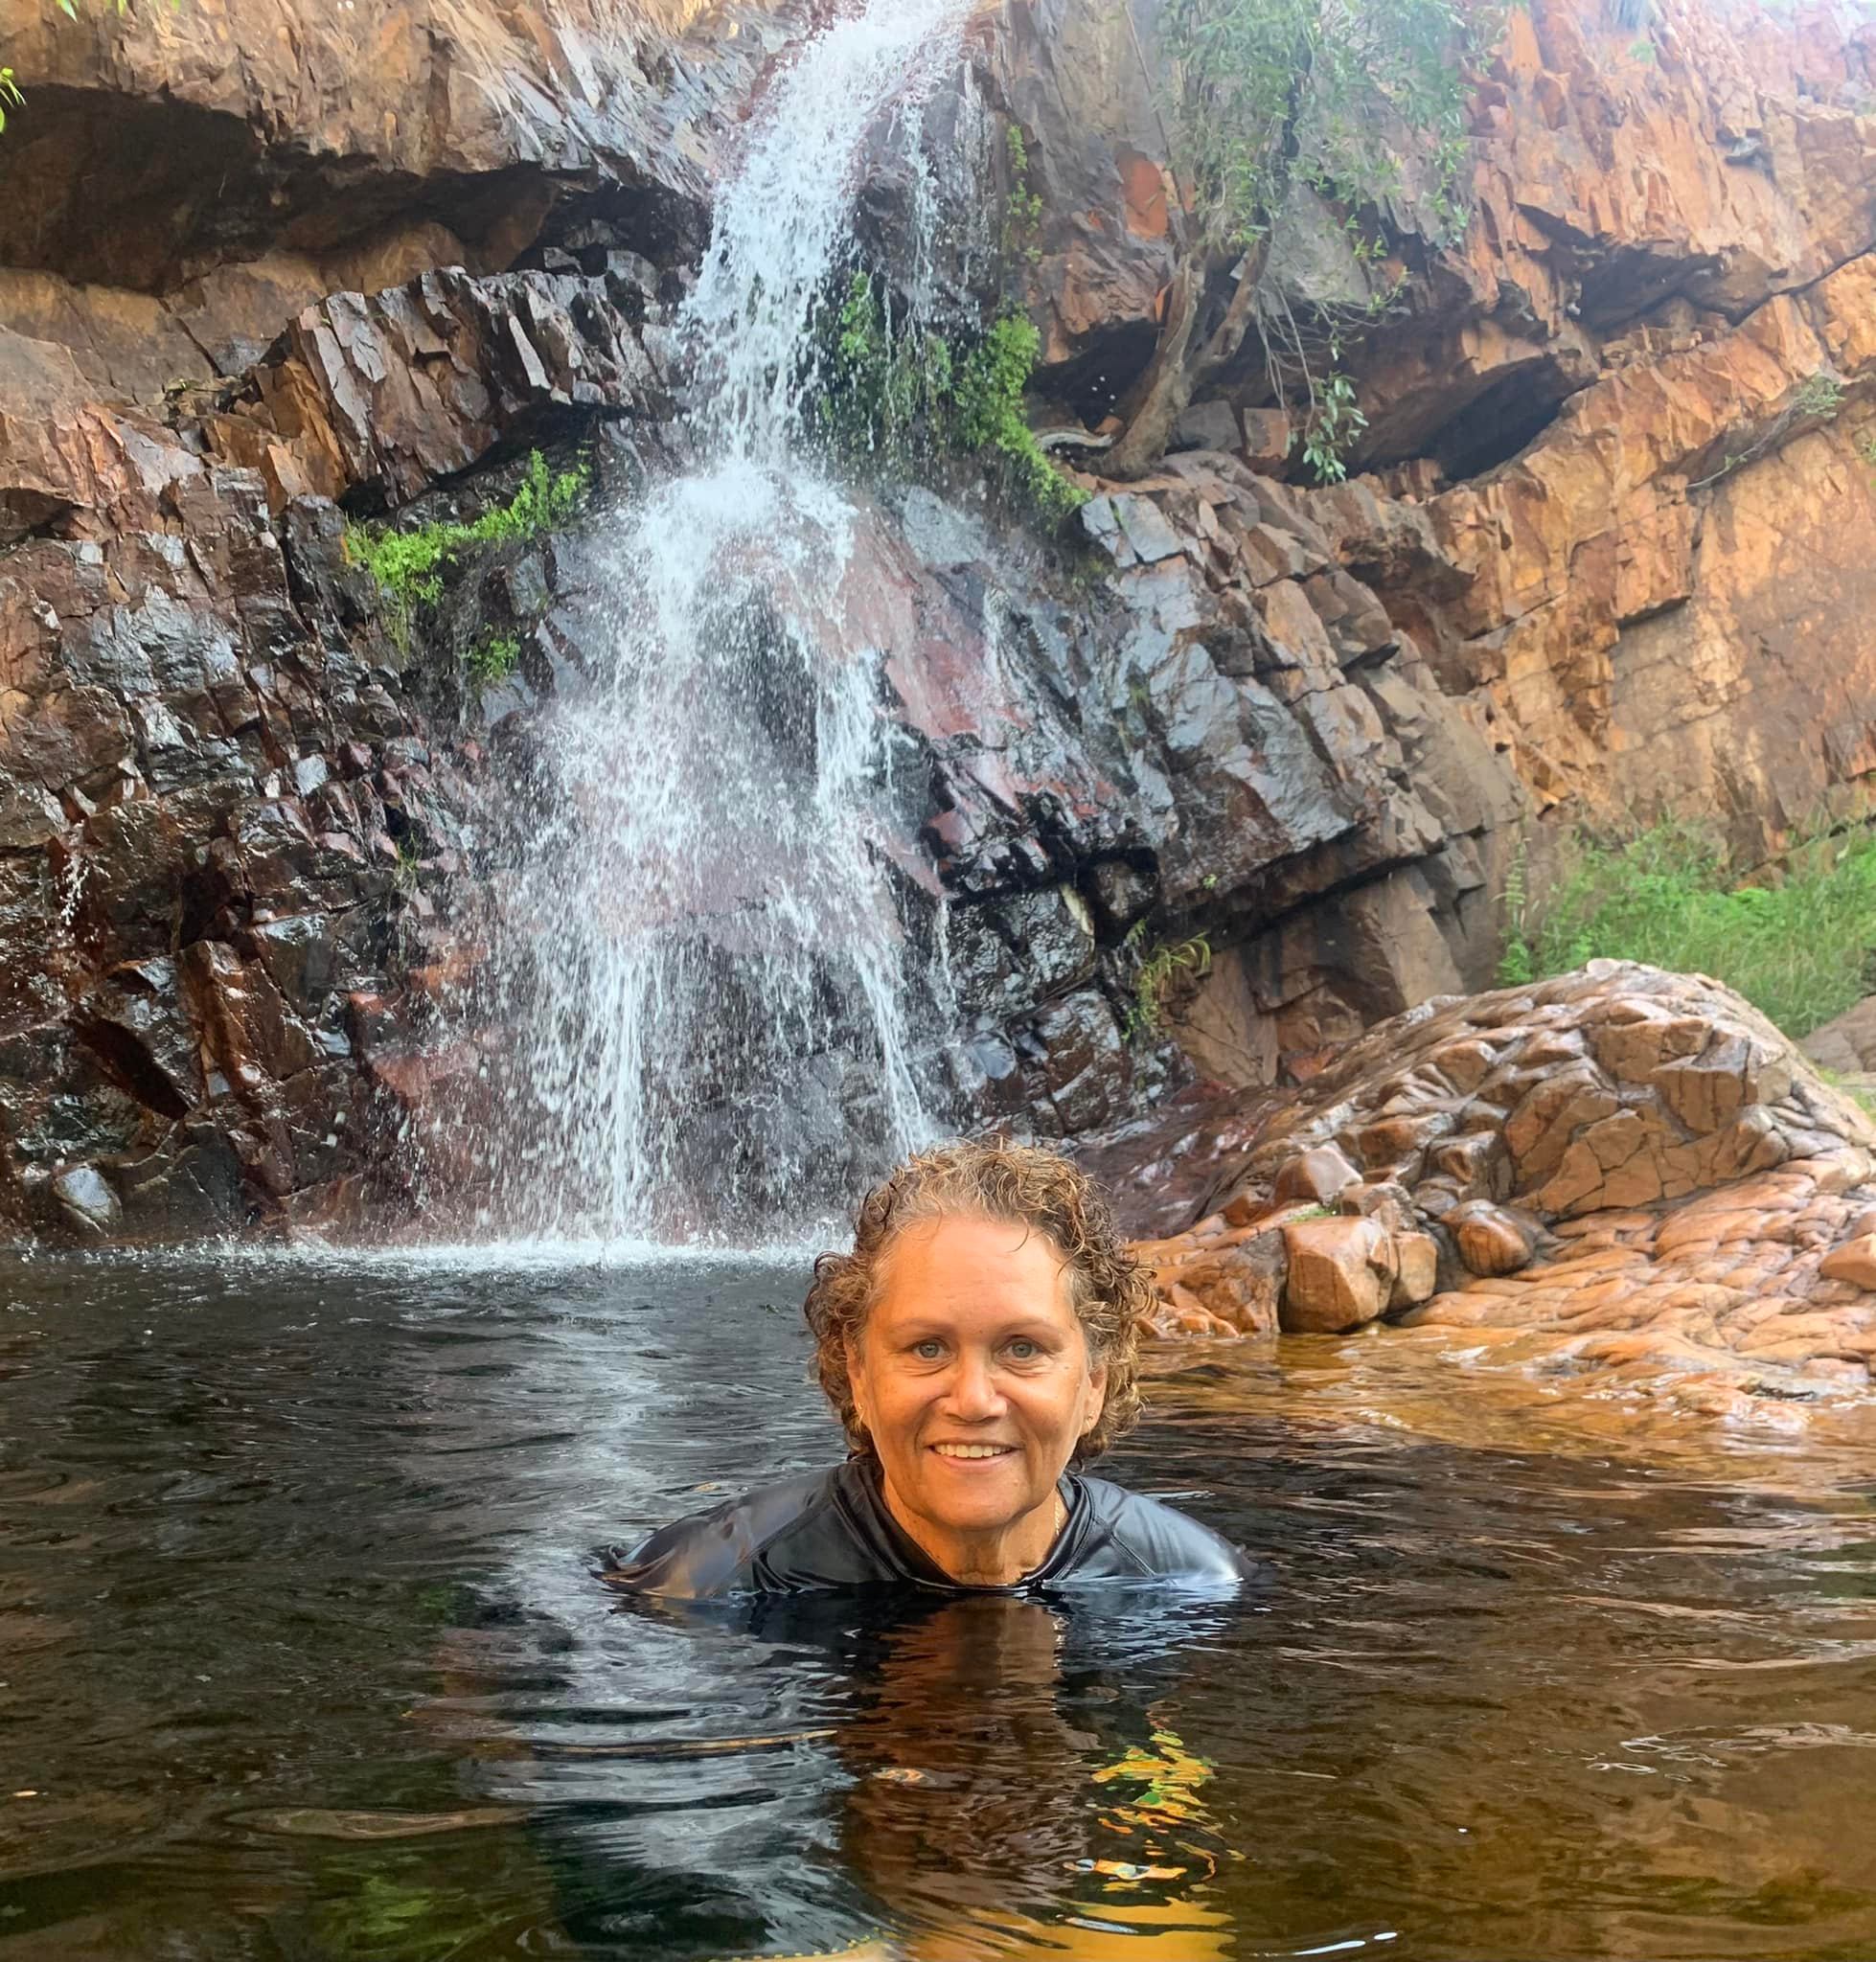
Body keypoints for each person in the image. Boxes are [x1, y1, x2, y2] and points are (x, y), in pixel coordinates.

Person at [601, 1138, 1255, 1598]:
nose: (973, 1400)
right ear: (856, 1373)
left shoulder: (1192, 1581)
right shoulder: (707, 1582)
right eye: (927, 1348)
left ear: (1094, 1385)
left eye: (1022, 1348)